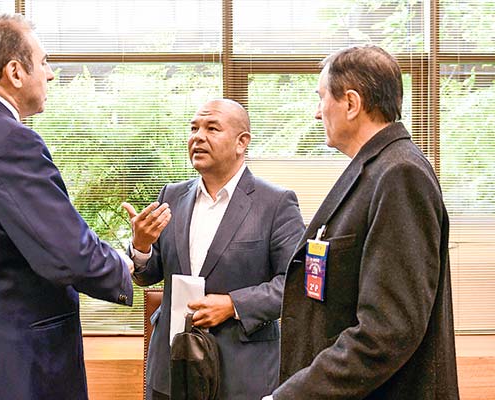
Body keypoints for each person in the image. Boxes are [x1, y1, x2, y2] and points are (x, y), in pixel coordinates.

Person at [0, 14, 133, 400]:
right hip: (9, 370)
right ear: (15, 71)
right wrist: (125, 263)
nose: (50, 74)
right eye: (44, 61)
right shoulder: (12, 142)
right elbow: (68, 253)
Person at [266, 45, 459, 399]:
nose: (316, 112)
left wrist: (293, 395)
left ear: (352, 104)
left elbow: (388, 329)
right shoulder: (377, 169)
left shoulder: (400, 173)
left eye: (322, 97)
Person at [122, 99, 305, 399]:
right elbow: (149, 274)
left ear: (241, 142)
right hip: (171, 368)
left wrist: (233, 305)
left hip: (242, 372)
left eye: (211, 128)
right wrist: (140, 246)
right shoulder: (172, 195)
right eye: (193, 128)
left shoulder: (275, 203)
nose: (198, 137)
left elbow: (294, 286)